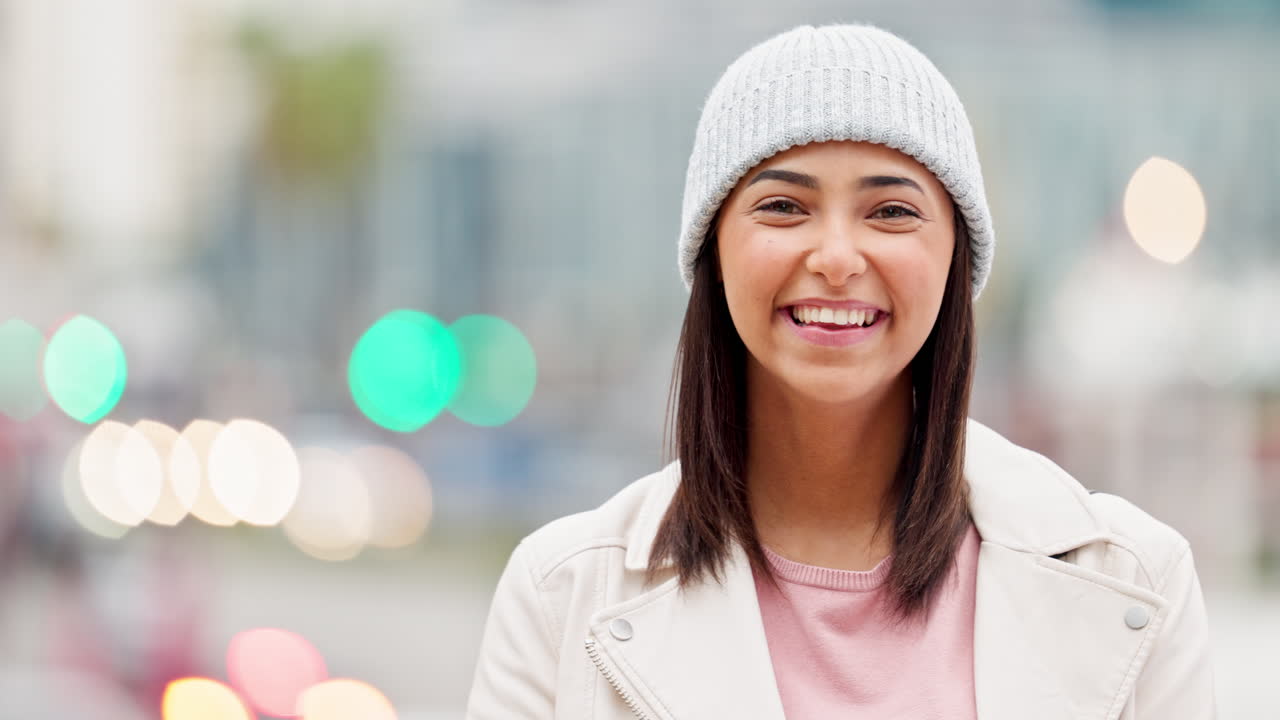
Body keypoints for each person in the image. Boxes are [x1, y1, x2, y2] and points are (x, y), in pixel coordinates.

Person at [464, 23, 1216, 719]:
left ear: (956, 257)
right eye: (784, 206)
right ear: (714, 254)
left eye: (891, 212)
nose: (835, 257)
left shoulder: (1135, 581)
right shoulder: (562, 594)